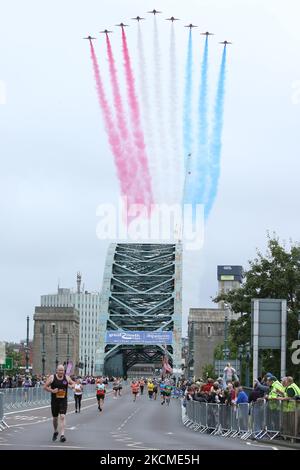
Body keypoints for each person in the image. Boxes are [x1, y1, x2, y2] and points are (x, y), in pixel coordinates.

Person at [44, 364, 75, 443]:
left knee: (62, 416)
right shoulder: (52, 377)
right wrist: (52, 391)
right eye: (60, 370)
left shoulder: (67, 378)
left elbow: (73, 383)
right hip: (54, 401)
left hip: (63, 400)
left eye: (62, 370)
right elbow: (45, 387)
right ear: (57, 370)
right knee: (55, 418)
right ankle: (55, 431)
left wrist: (72, 386)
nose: (61, 372)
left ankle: (62, 435)